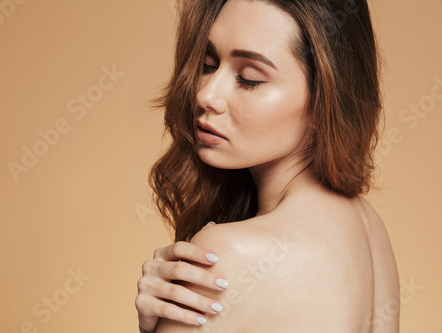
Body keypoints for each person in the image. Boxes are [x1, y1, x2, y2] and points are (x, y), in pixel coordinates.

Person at [135, 0, 400, 332]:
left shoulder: (226, 254)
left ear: (323, 100)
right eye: (208, 63)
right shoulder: (368, 230)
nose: (207, 95)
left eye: (249, 79)